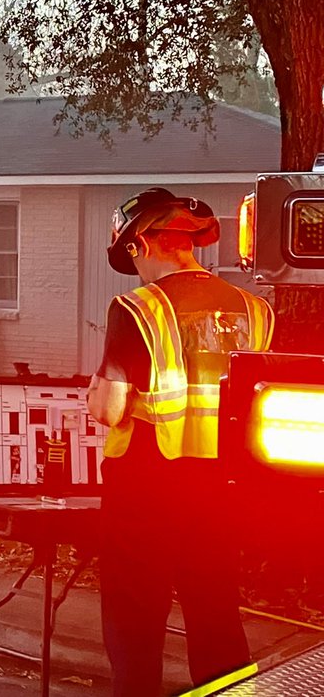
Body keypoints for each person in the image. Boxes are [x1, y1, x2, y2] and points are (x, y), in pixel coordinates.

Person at [87, 188, 274, 696]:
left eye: (131, 255)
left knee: (134, 616)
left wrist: (93, 395)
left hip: (147, 484)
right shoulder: (255, 310)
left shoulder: (138, 308)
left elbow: (109, 409)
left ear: (141, 245)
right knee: (215, 610)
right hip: (223, 487)